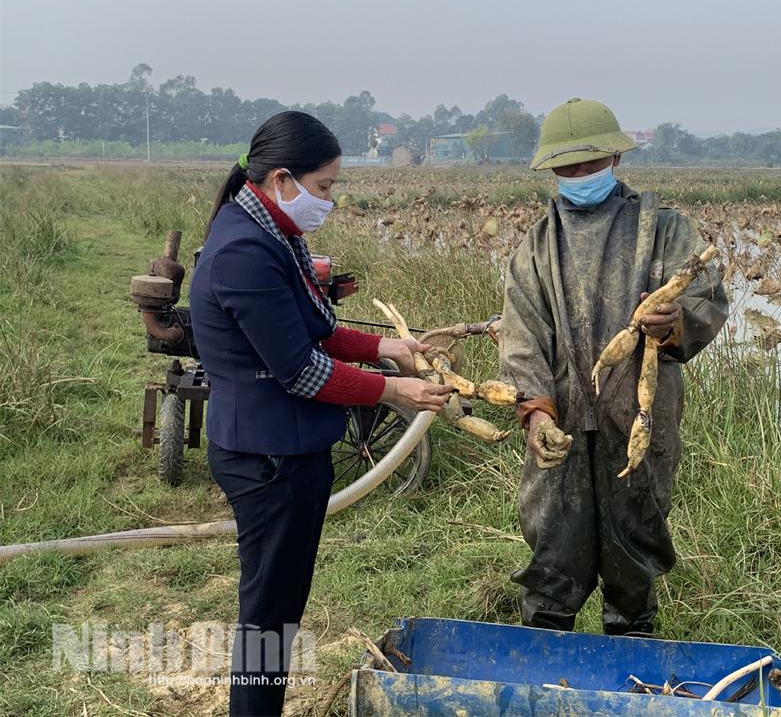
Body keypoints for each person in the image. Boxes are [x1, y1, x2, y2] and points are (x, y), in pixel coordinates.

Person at [189, 111, 452, 716]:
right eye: (325, 186)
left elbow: (319, 330)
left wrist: (387, 348)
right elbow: (301, 370)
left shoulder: (276, 233)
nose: (329, 200)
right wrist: (392, 392)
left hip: (289, 453)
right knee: (267, 617)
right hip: (266, 460)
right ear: (283, 179)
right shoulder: (243, 253)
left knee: (279, 607)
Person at [498, 98, 729, 637]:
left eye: (590, 164)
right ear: (552, 171)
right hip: (560, 422)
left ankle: (632, 656)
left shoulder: (665, 232)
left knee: (634, 551)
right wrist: (535, 412)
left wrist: (673, 320)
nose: (579, 175)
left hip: (640, 422)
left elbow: (706, 299)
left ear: (615, 160)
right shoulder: (536, 248)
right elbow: (522, 338)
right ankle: (547, 657)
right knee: (553, 549)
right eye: (568, 168)